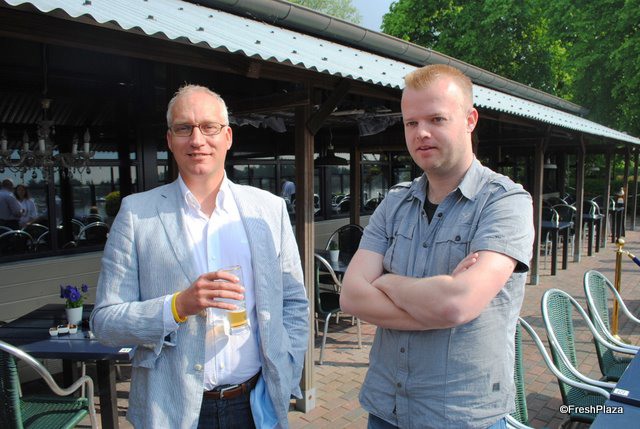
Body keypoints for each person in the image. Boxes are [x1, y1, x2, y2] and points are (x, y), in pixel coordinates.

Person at [91, 84, 309, 428]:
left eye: (209, 127)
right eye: (184, 128)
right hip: (173, 409)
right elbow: (105, 323)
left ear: (228, 137)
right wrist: (177, 306)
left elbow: (294, 302)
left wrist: (289, 365)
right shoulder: (137, 214)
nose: (197, 140)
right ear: (169, 140)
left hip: (255, 404)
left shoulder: (269, 210)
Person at [341, 64, 534, 429]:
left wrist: (386, 282)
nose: (422, 133)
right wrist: (438, 305)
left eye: (437, 119)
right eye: (411, 123)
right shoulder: (394, 203)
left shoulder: (505, 202)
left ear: (470, 120)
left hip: (463, 415)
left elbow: (456, 303)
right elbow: (351, 297)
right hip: (386, 409)